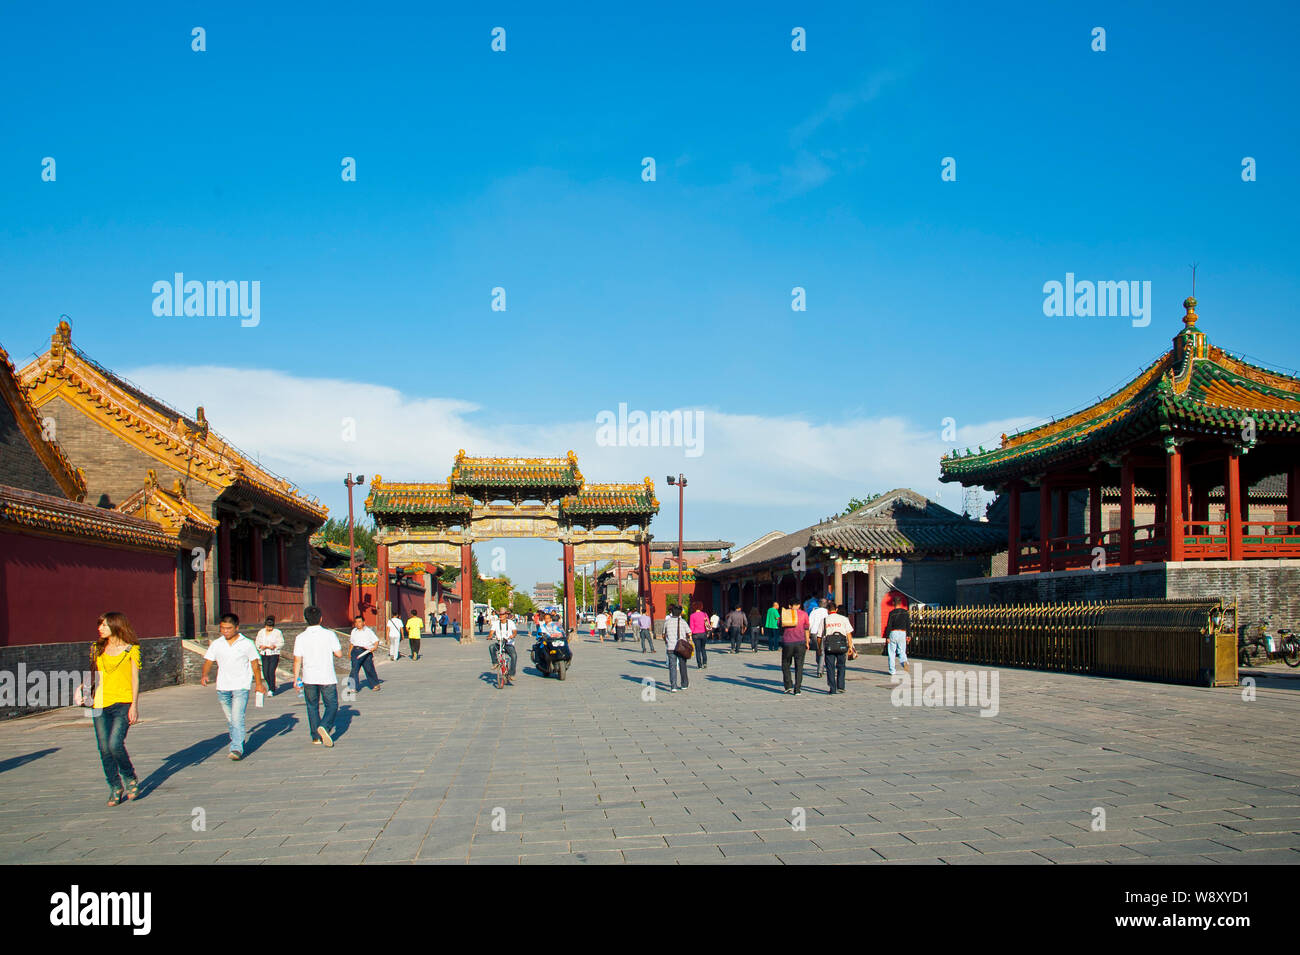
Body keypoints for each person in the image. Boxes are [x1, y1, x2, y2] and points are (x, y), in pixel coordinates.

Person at [76, 612, 142, 805]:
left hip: (123, 702)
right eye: (100, 625)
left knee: (115, 744)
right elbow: (93, 672)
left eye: (104, 625)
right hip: (100, 704)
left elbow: (135, 679)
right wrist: (83, 689)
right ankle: (115, 786)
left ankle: (129, 776)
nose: (100, 628)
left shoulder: (132, 649)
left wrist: (135, 706)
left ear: (116, 625)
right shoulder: (96, 648)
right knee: (104, 749)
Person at [201, 612, 267, 761]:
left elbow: (255, 664)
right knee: (231, 718)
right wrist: (205, 674)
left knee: (237, 718)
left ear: (236, 628)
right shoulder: (217, 644)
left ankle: (236, 747)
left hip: (241, 686)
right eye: (223, 628)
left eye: (228, 628)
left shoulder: (247, 643)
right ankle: (238, 737)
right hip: (222, 686)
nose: (225, 631)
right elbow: (208, 661)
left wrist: (258, 684)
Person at [294, 605, 344, 746]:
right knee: (332, 705)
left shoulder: (300, 637)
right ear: (321, 619)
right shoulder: (329, 634)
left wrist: (296, 678)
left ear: (306, 619)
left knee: (312, 706)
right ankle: (325, 726)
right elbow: (339, 654)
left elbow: (297, 659)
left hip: (309, 677)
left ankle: (316, 737)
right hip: (326, 676)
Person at [822, 602, 855, 694]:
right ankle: (841, 686)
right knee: (841, 666)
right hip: (841, 644)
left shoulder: (825, 620)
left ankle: (832, 688)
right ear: (836, 609)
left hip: (829, 646)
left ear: (827, 610)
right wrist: (850, 646)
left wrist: (819, 647)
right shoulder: (844, 619)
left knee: (830, 667)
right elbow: (849, 633)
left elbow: (820, 635)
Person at [348, 614, 383, 692]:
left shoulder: (368, 631)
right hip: (356, 651)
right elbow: (352, 643)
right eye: (356, 622)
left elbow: (376, 641)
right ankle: (353, 687)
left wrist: (374, 647)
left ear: (364, 622)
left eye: (359, 622)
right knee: (354, 669)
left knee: (369, 668)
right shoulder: (354, 631)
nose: (357, 624)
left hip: (366, 652)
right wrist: (350, 652)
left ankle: (375, 684)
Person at [780, 602, 810, 695]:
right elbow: (806, 628)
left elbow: (779, 624)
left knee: (785, 663)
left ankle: (788, 685)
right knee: (799, 666)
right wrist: (807, 642)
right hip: (800, 642)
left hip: (787, 642)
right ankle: (797, 689)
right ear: (799, 605)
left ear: (790, 605)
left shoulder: (785, 613)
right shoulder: (804, 614)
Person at [662, 606, 691, 692]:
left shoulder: (667, 622)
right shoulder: (683, 622)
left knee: (672, 666)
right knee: (683, 665)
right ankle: (684, 684)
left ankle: (673, 686)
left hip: (671, 647)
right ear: (680, 613)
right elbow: (689, 632)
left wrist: (666, 641)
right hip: (681, 647)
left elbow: (664, 634)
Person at [255, 616, 284, 695]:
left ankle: (271, 689)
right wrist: (261, 646)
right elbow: (257, 642)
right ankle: (271, 685)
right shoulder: (261, 632)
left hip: (273, 654)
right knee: (265, 672)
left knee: (271, 671)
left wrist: (274, 646)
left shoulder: (277, 632)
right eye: (268, 627)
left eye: (271, 627)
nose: (269, 628)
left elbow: (281, 642)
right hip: (264, 654)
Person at [489, 606, 518, 684]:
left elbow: (515, 631)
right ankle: (495, 663)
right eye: (500, 615)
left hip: (508, 643)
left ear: (506, 615)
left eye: (502, 614)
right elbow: (491, 631)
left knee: (514, 656)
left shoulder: (511, 623)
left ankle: (511, 674)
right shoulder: (496, 623)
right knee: (491, 647)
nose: (500, 616)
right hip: (499, 643)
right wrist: (490, 636)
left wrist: (513, 635)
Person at [886, 604, 911, 678]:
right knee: (901, 651)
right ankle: (904, 662)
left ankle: (892, 670)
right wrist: (908, 635)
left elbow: (889, 625)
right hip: (902, 632)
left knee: (891, 652)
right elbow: (908, 624)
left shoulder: (892, 613)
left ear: (894, 603)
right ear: (900, 603)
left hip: (893, 632)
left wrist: (887, 636)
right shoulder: (905, 612)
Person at [808, 599, 829, 679]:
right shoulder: (827, 612)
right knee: (822, 651)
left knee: (819, 649)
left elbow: (809, 623)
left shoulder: (813, 612)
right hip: (823, 633)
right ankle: (820, 670)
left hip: (814, 633)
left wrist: (808, 634)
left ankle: (819, 664)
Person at [688, 604, 710, 668]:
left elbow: (691, 626)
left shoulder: (692, 615)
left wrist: (690, 635)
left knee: (697, 650)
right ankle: (705, 663)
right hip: (703, 634)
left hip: (695, 635)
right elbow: (707, 624)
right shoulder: (704, 614)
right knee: (703, 648)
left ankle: (699, 664)